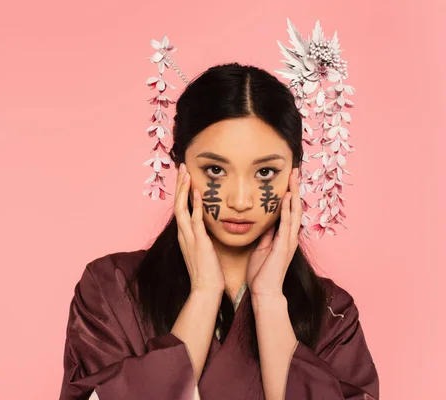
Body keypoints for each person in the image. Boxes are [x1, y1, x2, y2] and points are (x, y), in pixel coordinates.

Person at [59, 64, 379, 399]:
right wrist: (204, 295)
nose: (240, 200)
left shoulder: (333, 315)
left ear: (294, 176)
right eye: (215, 169)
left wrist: (269, 301)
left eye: (266, 172)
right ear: (180, 165)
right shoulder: (111, 291)